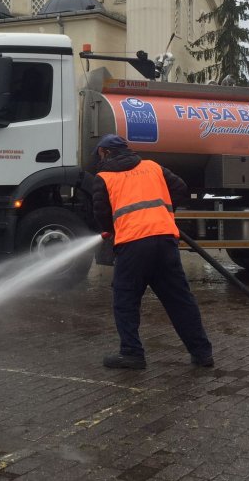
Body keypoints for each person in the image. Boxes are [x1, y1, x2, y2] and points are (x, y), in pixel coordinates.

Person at [90, 133, 214, 370]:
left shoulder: (103, 178)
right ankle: (202, 353)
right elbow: (180, 187)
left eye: (100, 154)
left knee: (125, 299)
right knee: (179, 300)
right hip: (164, 240)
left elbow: (102, 214)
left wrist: (112, 229)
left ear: (105, 153)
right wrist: (162, 212)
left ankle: (132, 353)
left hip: (133, 245)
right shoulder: (152, 166)